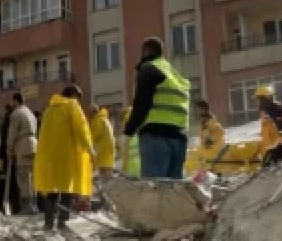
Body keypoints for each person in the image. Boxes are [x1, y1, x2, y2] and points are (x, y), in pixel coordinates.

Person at [123, 37, 191, 179]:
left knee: (154, 189)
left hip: (156, 137)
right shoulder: (172, 72)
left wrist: (128, 131)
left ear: (146, 51)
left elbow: (141, 103)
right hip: (178, 138)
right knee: (173, 190)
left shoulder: (148, 68)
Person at [34, 85, 97, 231]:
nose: (78, 101)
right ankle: (63, 222)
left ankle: (48, 223)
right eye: (78, 97)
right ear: (73, 95)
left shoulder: (49, 110)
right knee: (67, 190)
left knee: (52, 190)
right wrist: (90, 149)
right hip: (66, 157)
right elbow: (81, 129)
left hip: (49, 159)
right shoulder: (72, 106)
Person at [5, 93, 39, 213]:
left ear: (15, 101)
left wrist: (9, 149)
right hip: (34, 144)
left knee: (23, 176)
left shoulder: (16, 113)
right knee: (33, 176)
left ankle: (27, 205)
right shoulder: (30, 113)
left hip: (23, 146)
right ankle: (34, 204)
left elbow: (12, 133)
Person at [255, 86, 282, 166]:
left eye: (260, 99)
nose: (258, 102)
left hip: (280, 146)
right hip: (273, 146)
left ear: (266, 97)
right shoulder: (266, 110)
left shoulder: (275, 109)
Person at [194, 99, 226, 170]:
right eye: (197, 109)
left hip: (214, 153)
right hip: (208, 152)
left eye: (198, 109)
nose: (197, 112)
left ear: (204, 109)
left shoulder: (210, 121)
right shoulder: (202, 121)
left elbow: (221, 132)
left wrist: (210, 140)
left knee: (215, 173)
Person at [88, 103, 116, 180]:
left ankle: (106, 180)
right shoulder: (103, 118)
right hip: (109, 146)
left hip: (104, 147)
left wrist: (89, 139)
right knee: (107, 164)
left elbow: (97, 133)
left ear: (93, 112)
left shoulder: (98, 120)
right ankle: (107, 178)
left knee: (103, 165)